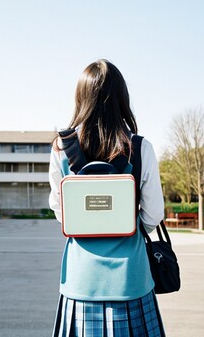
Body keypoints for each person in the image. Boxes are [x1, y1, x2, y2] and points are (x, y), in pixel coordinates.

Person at [49, 59, 166, 336]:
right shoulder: (140, 148)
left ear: (81, 98)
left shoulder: (60, 149)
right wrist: (128, 228)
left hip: (80, 280)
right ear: (122, 99)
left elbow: (60, 211)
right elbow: (153, 215)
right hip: (131, 279)